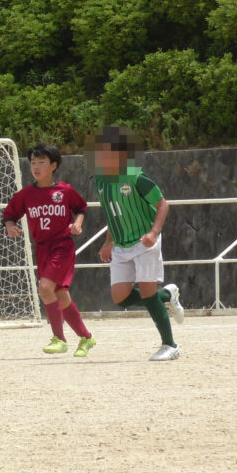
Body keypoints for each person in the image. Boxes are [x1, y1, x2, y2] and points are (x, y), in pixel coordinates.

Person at [91, 127, 184, 361]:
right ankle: (167, 296)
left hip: (145, 241)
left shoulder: (136, 177)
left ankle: (170, 345)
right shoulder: (100, 181)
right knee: (120, 297)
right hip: (121, 245)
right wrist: (108, 242)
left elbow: (163, 205)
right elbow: (113, 214)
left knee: (147, 292)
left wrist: (153, 232)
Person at [3, 143, 95, 357]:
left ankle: (59, 339)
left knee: (45, 288)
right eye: (32, 162)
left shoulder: (65, 190)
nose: (35, 167)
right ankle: (86, 338)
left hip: (62, 247)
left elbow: (80, 207)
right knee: (60, 294)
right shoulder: (26, 195)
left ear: (53, 165)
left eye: (41, 162)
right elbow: (9, 214)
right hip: (42, 249)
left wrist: (77, 223)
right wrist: (10, 227)